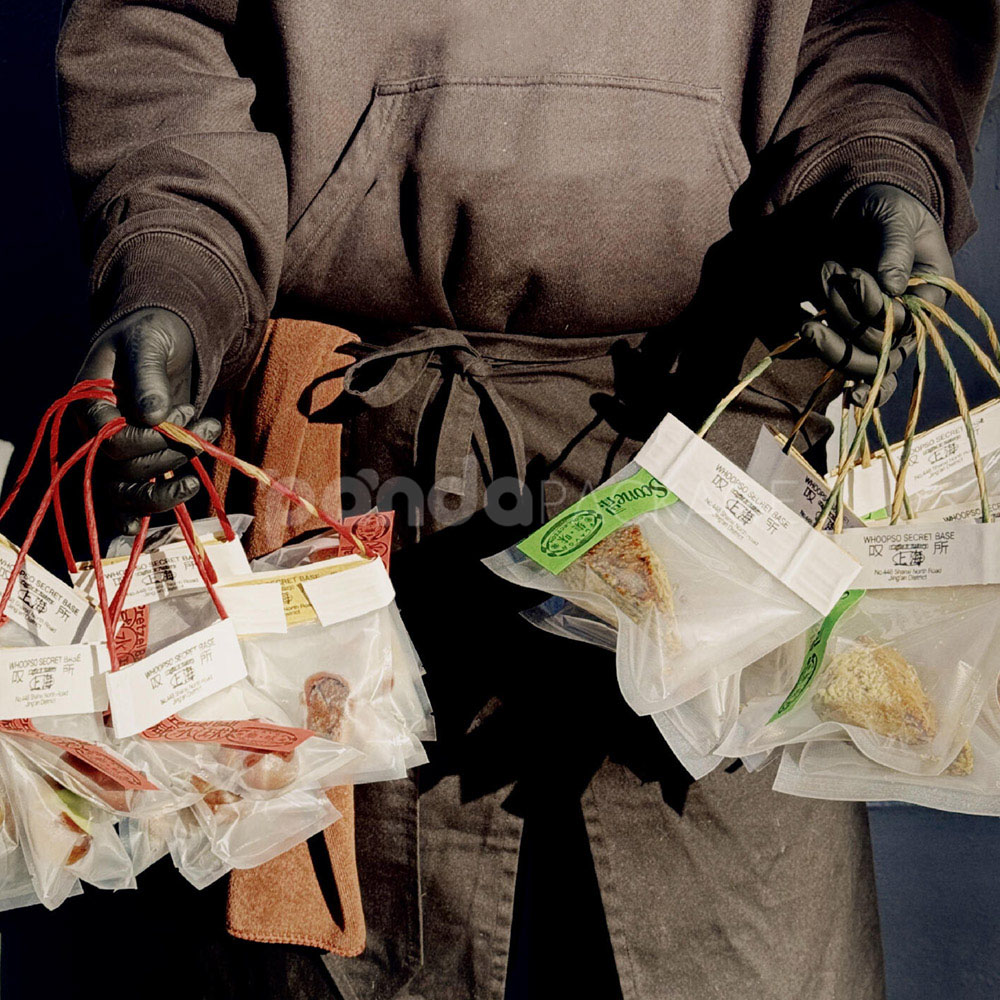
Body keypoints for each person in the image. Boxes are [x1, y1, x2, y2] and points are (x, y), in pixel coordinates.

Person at [53, 2, 998, 998]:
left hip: (719, 470)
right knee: (355, 963)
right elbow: (166, 33)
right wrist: (173, 277)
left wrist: (878, 174)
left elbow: (871, 24)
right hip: (355, 474)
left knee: (738, 961)